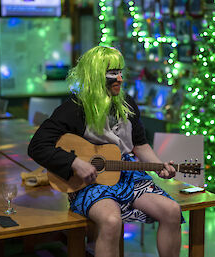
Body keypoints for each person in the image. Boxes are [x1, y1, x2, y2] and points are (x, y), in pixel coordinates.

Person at [28, 46, 182, 257]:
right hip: (90, 181)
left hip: (128, 174)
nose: (119, 78)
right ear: (95, 76)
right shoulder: (74, 108)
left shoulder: (127, 104)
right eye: (112, 74)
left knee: (172, 211)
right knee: (111, 220)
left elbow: (140, 144)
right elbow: (37, 146)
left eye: (120, 72)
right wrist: (75, 162)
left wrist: (158, 166)